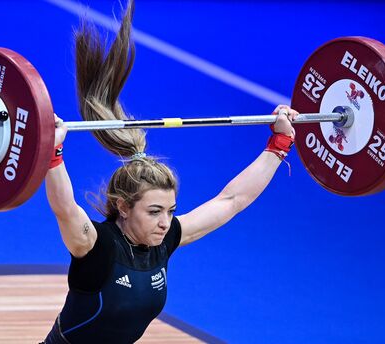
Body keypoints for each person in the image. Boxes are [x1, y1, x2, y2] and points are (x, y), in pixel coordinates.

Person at [42, 1, 297, 343]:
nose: (165, 221)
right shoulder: (95, 247)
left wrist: (279, 145)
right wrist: (53, 154)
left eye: (170, 211)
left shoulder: (164, 241)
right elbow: (64, 208)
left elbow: (232, 200)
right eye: (154, 211)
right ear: (122, 206)